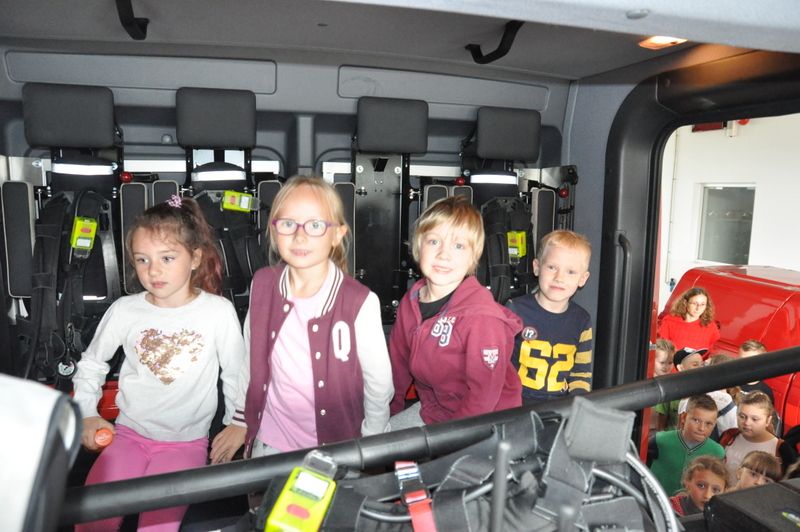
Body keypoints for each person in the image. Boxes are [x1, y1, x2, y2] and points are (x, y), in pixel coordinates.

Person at [72, 196, 246, 532]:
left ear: (195, 258)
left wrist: (236, 423)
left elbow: (236, 373)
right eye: (142, 259)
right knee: (92, 524)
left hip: (185, 444)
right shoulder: (125, 310)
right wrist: (87, 414)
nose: (153, 270)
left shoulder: (217, 312)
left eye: (167, 258)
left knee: (157, 529)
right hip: (127, 436)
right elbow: (92, 364)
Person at [216, 175, 393, 458]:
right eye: (288, 224)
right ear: (273, 231)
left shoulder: (359, 302)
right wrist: (241, 419)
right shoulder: (262, 284)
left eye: (315, 225)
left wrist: (371, 442)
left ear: (337, 234)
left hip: (337, 448)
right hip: (270, 439)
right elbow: (252, 358)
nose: (300, 236)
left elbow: (379, 384)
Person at [389, 196, 522, 428]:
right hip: (436, 411)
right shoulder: (410, 302)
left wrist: (449, 439)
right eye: (434, 242)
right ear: (418, 247)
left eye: (458, 246)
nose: (444, 254)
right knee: (375, 441)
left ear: (473, 257)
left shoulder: (482, 318)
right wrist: (384, 419)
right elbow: (396, 369)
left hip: (488, 423)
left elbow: (482, 397)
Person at [506, 229, 593, 403]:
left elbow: (581, 375)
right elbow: (497, 365)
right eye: (552, 267)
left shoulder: (582, 320)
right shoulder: (514, 310)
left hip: (559, 409)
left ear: (583, 279)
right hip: (515, 407)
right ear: (537, 267)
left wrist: (577, 408)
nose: (559, 278)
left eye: (570, 272)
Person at [648, 394, 725, 496]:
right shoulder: (659, 441)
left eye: (708, 423)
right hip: (655, 501)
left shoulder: (717, 452)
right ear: (683, 417)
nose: (701, 428)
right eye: (696, 420)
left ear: (714, 424)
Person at [720, 391, 782, 485]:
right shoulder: (729, 436)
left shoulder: (779, 448)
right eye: (742, 416)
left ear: (768, 420)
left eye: (754, 419)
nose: (747, 423)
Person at [677, 354, 738, 440]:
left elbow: (679, 432)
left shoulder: (688, 399)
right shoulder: (736, 408)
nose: (700, 369)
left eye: (704, 366)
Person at [653, 347, 707, 432]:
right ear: (681, 368)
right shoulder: (668, 390)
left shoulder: (707, 390)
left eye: (702, 364)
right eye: (695, 365)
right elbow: (660, 426)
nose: (700, 368)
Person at [657, 287, 720, 353]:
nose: (698, 308)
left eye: (702, 304)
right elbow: (661, 348)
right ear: (685, 303)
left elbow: (713, 351)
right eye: (694, 303)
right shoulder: (669, 321)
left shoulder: (711, 326)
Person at [735, 339, 775, 404]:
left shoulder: (764, 392)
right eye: (741, 360)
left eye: (751, 361)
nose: (745, 364)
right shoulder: (732, 383)